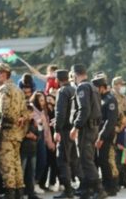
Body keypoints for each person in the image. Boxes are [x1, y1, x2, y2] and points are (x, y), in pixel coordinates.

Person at [0, 63, 30, 198]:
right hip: (17, 134)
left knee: (6, 166)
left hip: (6, 133)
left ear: (3, 73)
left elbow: (5, 112)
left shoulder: (3, 90)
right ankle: (19, 193)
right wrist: (21, 118)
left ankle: (10, 194)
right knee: (16, 164)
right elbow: (26, 112)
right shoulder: (18, 90)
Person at [69, 64, 103, 199]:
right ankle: (87, 190)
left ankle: (99, 189)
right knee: (88, 159)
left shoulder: (82, 87)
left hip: (86, 129)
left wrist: (76, 126)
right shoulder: (93, 87)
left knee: (86, 160)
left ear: (74, 75)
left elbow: (84, 109)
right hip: (93, 128)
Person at [54, 69, 78, 199]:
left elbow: (60, 113)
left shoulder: (62, 91)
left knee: (62, 159)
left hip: (64, 130)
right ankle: (82, 187)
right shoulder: (74, 89)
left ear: (58, 80)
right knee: (74, 159)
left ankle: (68, 190)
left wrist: (57, 130)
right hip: (74, 129)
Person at [93, 73, 119, 196]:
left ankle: (110, 187)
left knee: (104, 161)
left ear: (102, 87)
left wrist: (101, 137)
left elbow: (111, 121)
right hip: (99, 134)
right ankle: (104, 185)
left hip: (105, 135)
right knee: (100, 161)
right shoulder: (101, 99)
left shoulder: (110, 99)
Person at [111, 76, 126, 190]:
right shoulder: (111, 97)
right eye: (121, 85)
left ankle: (125, 180)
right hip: (115, 130)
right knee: (115, 157)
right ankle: (116, 180)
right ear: (115, 85)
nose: (123, 87)